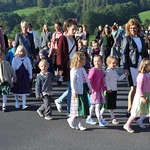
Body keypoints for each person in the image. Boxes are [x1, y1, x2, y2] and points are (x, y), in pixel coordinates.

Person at [122, 18, 149, 118]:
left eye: (135, 28)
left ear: (138, 28)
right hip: (132, 66)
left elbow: (145, 53)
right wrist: (125, 67)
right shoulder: (127, 39)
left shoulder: (141, 39)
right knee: (133, 88)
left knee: (142, 88)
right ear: (129, 29)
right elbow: (124, 54)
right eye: (131, 28)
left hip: (141, 65)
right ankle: (129, 109)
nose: (133, 30)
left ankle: (138, 109)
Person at [55, 19, 78, 115]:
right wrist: (60, 68)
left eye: (75, 29)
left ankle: (60, 100)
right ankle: (69, 110)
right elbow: (59, 54)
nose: (75, 31)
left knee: (72, 88)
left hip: (74, 66)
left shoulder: (74, 39)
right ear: (67, 28)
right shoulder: (62, 39)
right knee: (71, 88)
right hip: (66, 66)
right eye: (73, 29)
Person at [123, 58, 150, 133]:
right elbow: (139, 88)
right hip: (141, 96)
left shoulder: (147, 74)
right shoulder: (141, 76)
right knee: (136, 111)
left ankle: (140, 121)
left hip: (148, 94)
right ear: (145, 66)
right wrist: (142, 97)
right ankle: (127, 124)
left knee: (148, 111)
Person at [67, 51, 92, 130]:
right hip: (78, 91)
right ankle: (71, 119)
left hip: (83, 89)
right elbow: (73, 82)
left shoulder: (82, 69)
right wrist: (74, 92)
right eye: (83, 60)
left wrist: (90, 88)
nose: (85, 61)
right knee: (77, 108)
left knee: (83, 109)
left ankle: (80, 124)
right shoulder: (74, 70)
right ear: (78, 60)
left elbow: (87, 80)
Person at [101, 56, 126, 124]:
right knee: (109, 105)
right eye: (113, 63)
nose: (115, 65)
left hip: (114, 90)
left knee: (108, 104)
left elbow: (118, 79)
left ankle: (100, 114)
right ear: (108, 63)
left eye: (116, 63)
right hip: (109, 90)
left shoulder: (114, 71)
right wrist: (108, 88)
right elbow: (106, 80)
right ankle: (113, 118)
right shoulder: (108, 71)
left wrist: (124, 75)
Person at [86, 55, 108, 127]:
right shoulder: (93, 70)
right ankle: (100, 120)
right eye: (95, 61)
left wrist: (104, 88)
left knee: (93, 105)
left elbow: (102, 80)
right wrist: (89, 89)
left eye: (98, 61)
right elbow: (89, 79)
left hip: (99, 90)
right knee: (97, 105)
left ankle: (89, 118)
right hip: (94, 90)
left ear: (102, 62)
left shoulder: (101, 71)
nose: (96, 63)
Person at [11, 45, 32, 110]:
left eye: (23, 51)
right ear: (17, 52)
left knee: (24, 90)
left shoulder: (27, 59)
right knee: (16, 89)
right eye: (20, 51)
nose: (21, 53)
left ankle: (24, 104)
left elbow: (29, 68)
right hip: (17, 75)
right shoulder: (15, 59)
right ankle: (17, 102)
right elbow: (13, 68)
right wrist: (14, 76)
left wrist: (30, 76)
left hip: (24, 76)